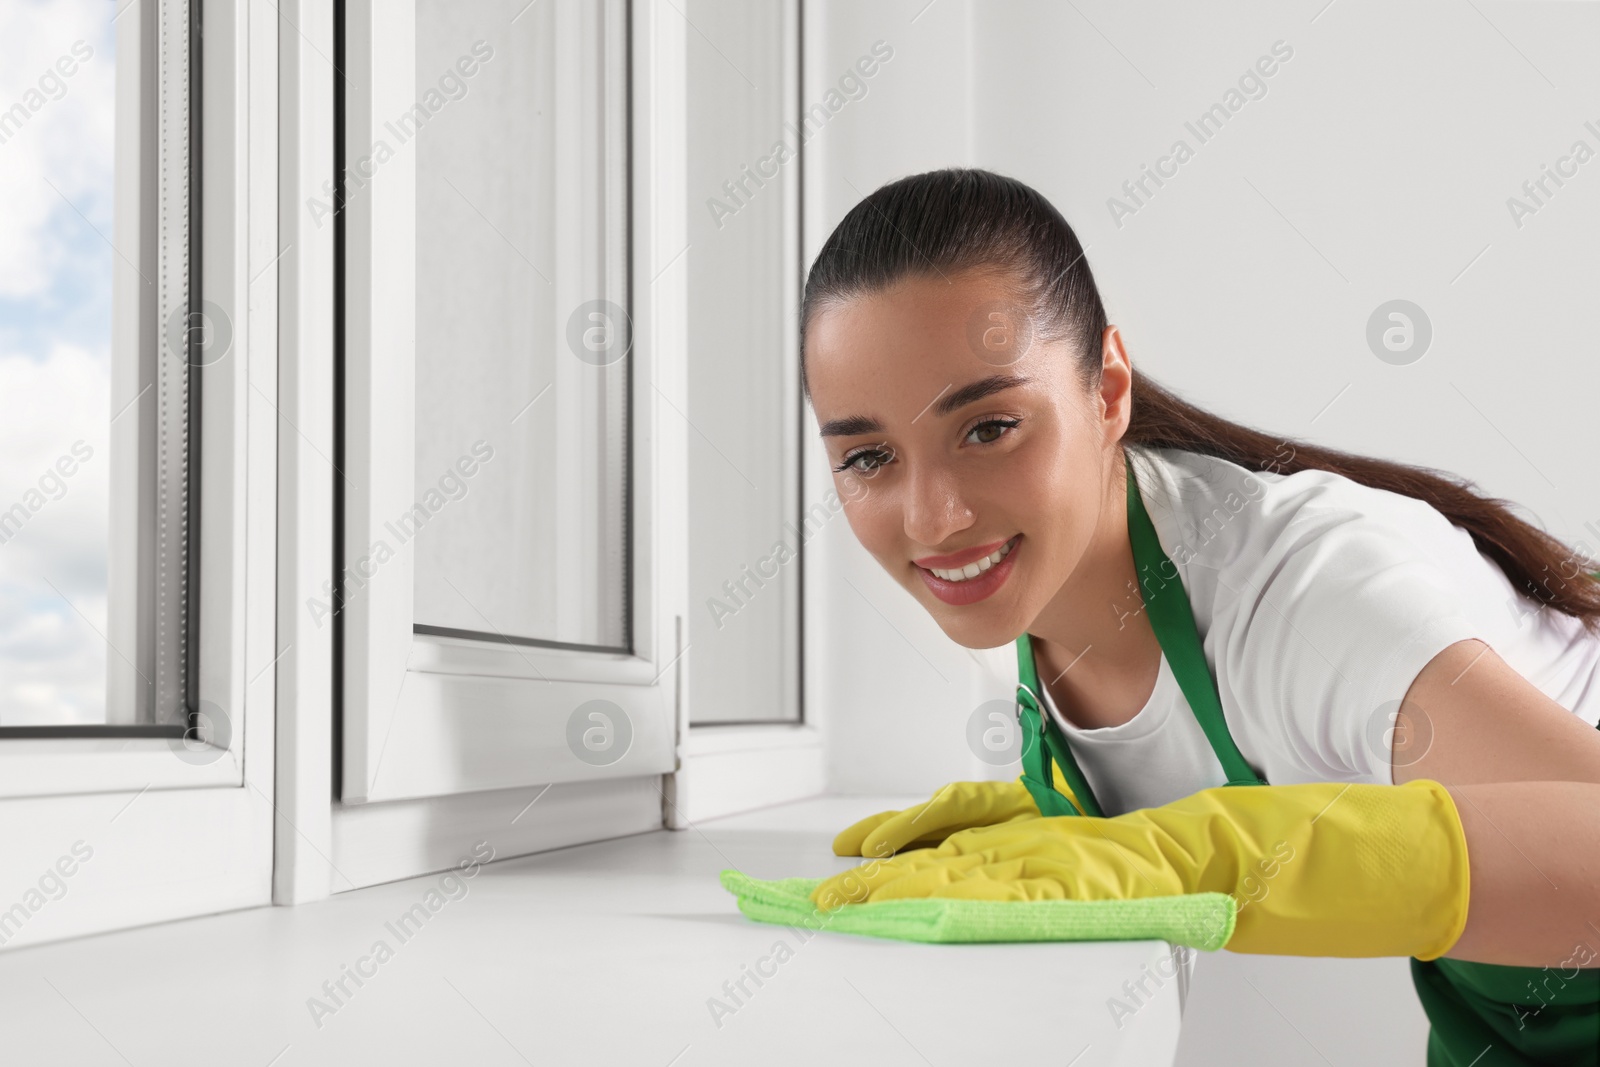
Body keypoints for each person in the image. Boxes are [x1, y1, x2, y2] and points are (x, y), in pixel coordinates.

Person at [800, 167, 1600, 1065]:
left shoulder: (1310, 593)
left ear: (1106, 391)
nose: (933, 518)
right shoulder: (1013, 588)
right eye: (869, 456)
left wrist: (1207, 855)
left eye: (989, 428)